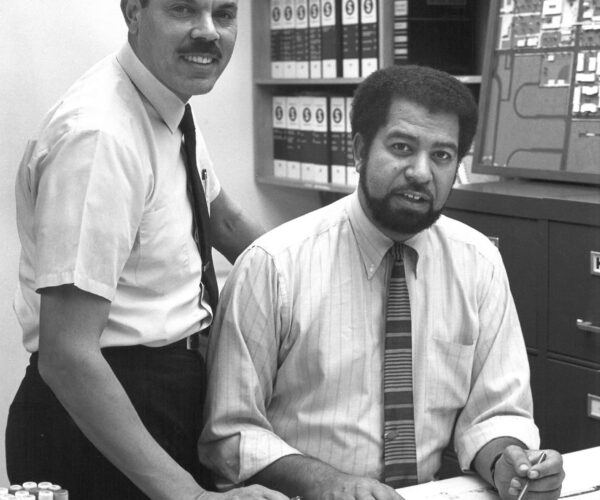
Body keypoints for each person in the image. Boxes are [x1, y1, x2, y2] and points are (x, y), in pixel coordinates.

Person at [198, 65, 566, 500]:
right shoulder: (274, 266)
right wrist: (328, 484)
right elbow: (231, 435)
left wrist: (509, 462)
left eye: (442, 156)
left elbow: (494, 412)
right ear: (359, 150)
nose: (421, 172)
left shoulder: (478, 262)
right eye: (401, 147)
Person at [7, 2, 287, 500]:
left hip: (167, 394)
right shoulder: (101, 137)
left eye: (223, 14)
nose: (207, 32)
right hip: (100, 417)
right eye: (183, 9)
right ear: (133, 11)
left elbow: (219, 217)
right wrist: (193, 498)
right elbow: (67, 356)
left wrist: (310, 281)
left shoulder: (164, 103)